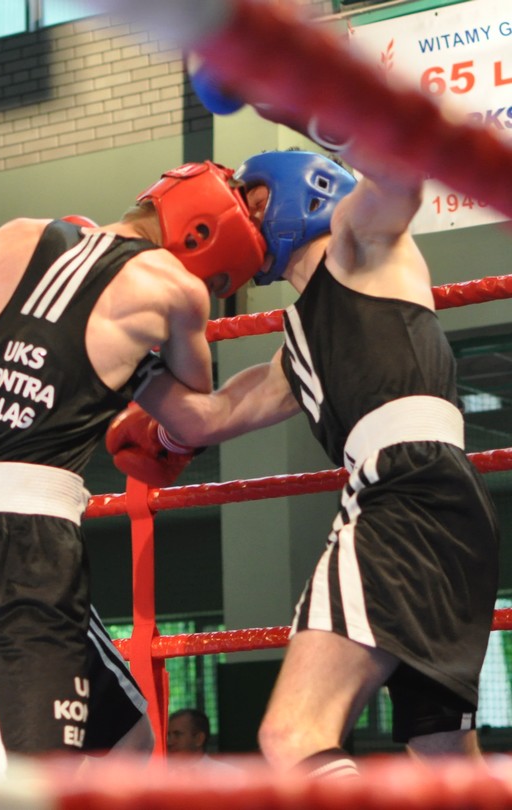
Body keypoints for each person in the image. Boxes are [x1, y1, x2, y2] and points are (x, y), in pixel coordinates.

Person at [106, 146, 500, 777]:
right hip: (444, 510)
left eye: (255, 198)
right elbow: (207, 417)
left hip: (402, 496)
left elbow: (397, 179)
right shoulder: (299, 342)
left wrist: (325, 109)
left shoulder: (360, 246)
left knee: (292, 735)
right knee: (448, 764)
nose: (244, 213)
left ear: (308, 186)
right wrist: (125, 360)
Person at [0, 160, 266, 776]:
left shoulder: (9, 236)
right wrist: (140, 372)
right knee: (20, 781)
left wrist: (73, 353)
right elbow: (193, 417)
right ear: (201, 240)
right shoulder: (176, 286)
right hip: (6, 543)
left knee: (128, 740)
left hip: (27, 541)